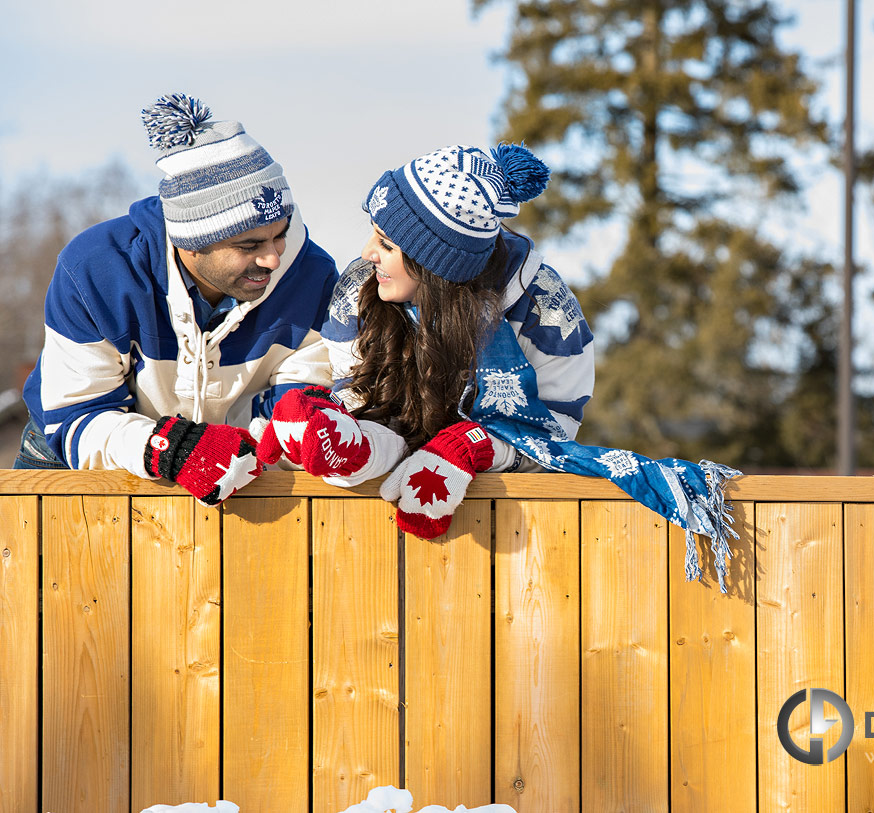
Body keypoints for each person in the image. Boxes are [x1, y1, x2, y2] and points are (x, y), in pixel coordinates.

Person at [257, 143, 739, 591]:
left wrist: (475, 445)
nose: (366, 253)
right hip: (372, 529)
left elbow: (556, 435)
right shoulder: (360, 289)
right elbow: (354, 397)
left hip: (510, 538)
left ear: (433, 261)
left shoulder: (545, 311)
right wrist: (339, 426)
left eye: (385, 242)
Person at [16, 93, 339, 507]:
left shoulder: (309, 275)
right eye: (250, 243)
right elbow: (79, 415)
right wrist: (170, 449)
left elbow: (298, 403)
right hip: (76, 455)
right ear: (193, 241)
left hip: (237, 466)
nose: (273, 257)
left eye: (281, 233)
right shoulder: (97, 270)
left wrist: (276, 440)